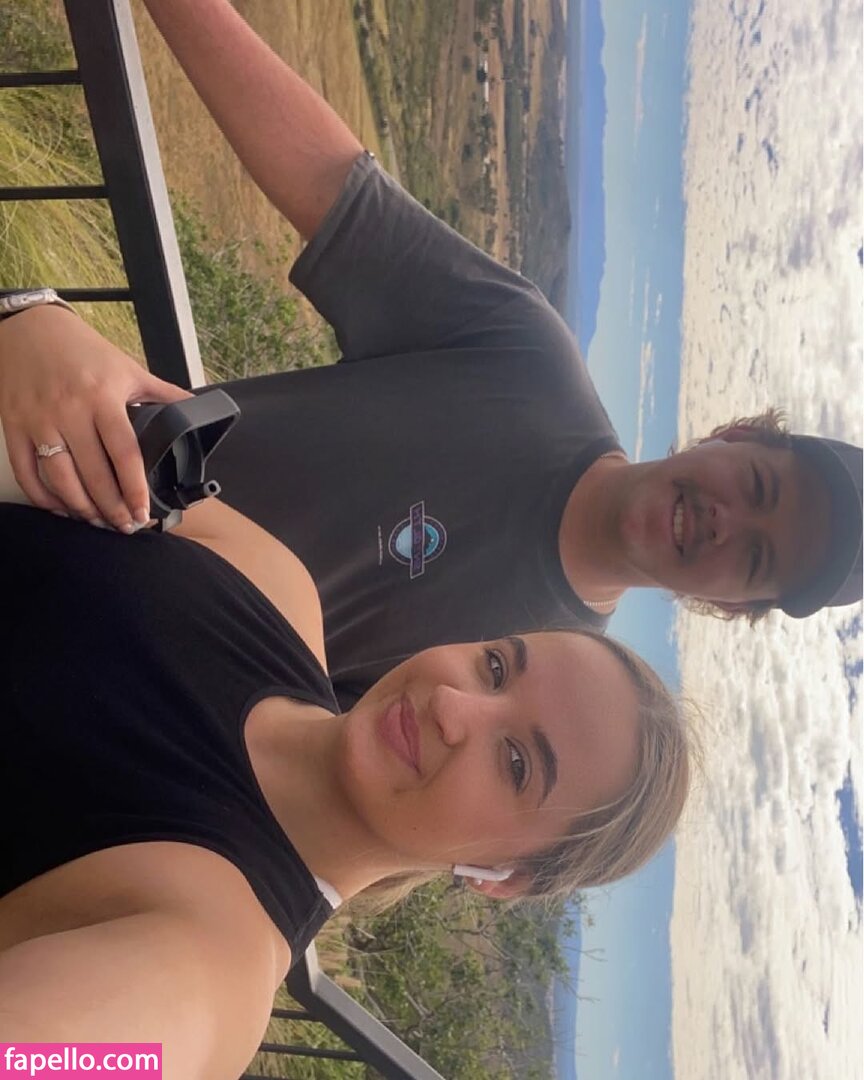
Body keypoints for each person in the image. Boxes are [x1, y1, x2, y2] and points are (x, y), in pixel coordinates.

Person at [0, 0, 860, 704]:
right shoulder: (525, 360)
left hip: (67, 690)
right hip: (54, 469)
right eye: (759, 488)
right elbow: (334, 189)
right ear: (736, 435)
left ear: (727, 605)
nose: (725, 523)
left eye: (757, 557)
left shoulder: (525, 687)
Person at [0, 486, 691, 1078]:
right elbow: (71, 435)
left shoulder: (213, 974)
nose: (453, 706)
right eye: (496, 668)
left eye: (516, 763)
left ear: (503, 877)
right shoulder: (273, 581)